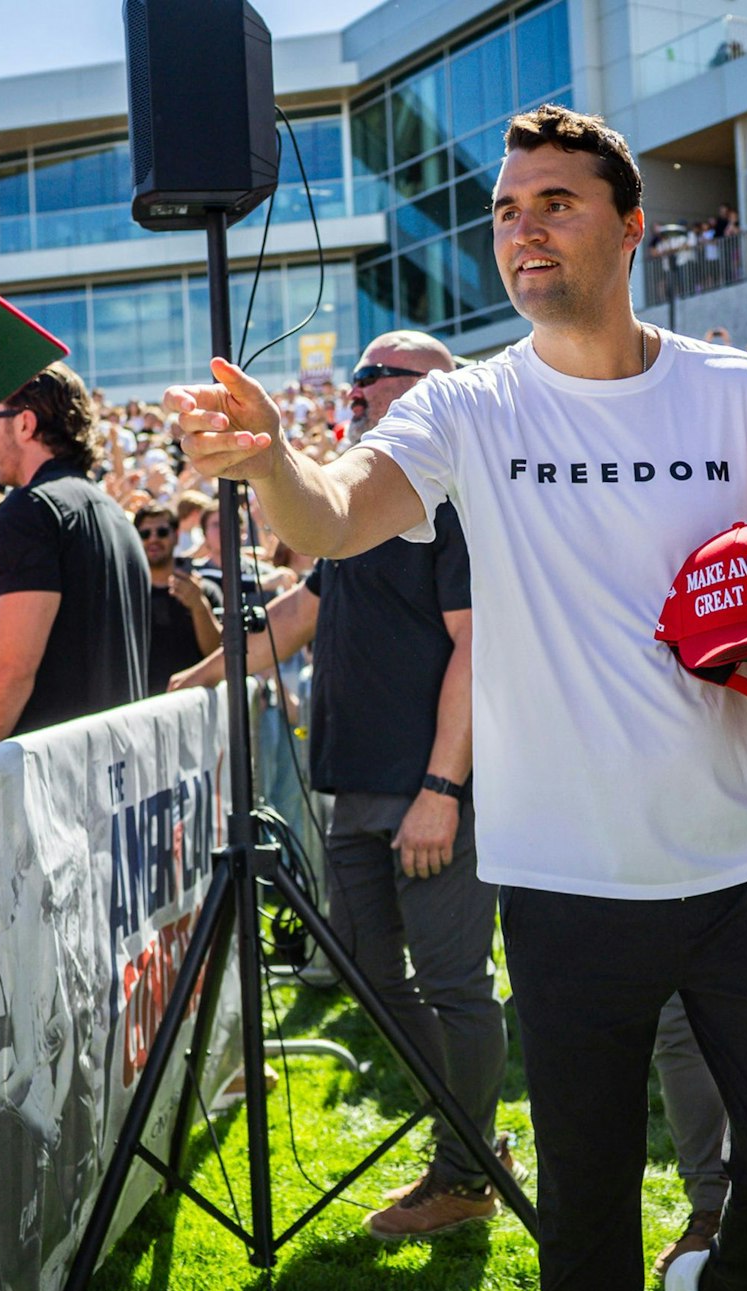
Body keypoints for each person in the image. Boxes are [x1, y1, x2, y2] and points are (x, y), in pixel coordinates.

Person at [167, 103, 747, 1291]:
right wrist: (268, 462)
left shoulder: (737, 391)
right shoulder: (468, 404)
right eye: (507, 210)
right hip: (566, 882)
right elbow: (327, 518)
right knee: (580, 1226)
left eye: (554, 202)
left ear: (633, 227)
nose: (521, 229)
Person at [172, 328, 520, 1241]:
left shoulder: (456, 503)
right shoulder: (360, 503)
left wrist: (443, 786)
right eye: (357, 374)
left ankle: (465, 1172)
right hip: (355, 789)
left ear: (434, 392)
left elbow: (478, 651)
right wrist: (197, 681)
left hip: (432, 790)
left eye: (375, 375)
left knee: (454, 984)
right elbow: (298, 615)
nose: (355, 389)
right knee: (372, 979)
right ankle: (475, 1147)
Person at [0, 361, 149, 763]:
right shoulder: (116, 515)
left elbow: (10, 669)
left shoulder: (29, 511)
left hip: (54, 785)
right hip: (115, 777)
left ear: (25, 424)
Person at [133, 498, 220, 693]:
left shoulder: (204, 590)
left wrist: (199, 606)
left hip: (193, 702)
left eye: (162, 532)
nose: (153, 539)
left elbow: (217, 653)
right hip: (141, 706)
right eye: (145, 534)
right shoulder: (128, 594)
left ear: (176, 535)